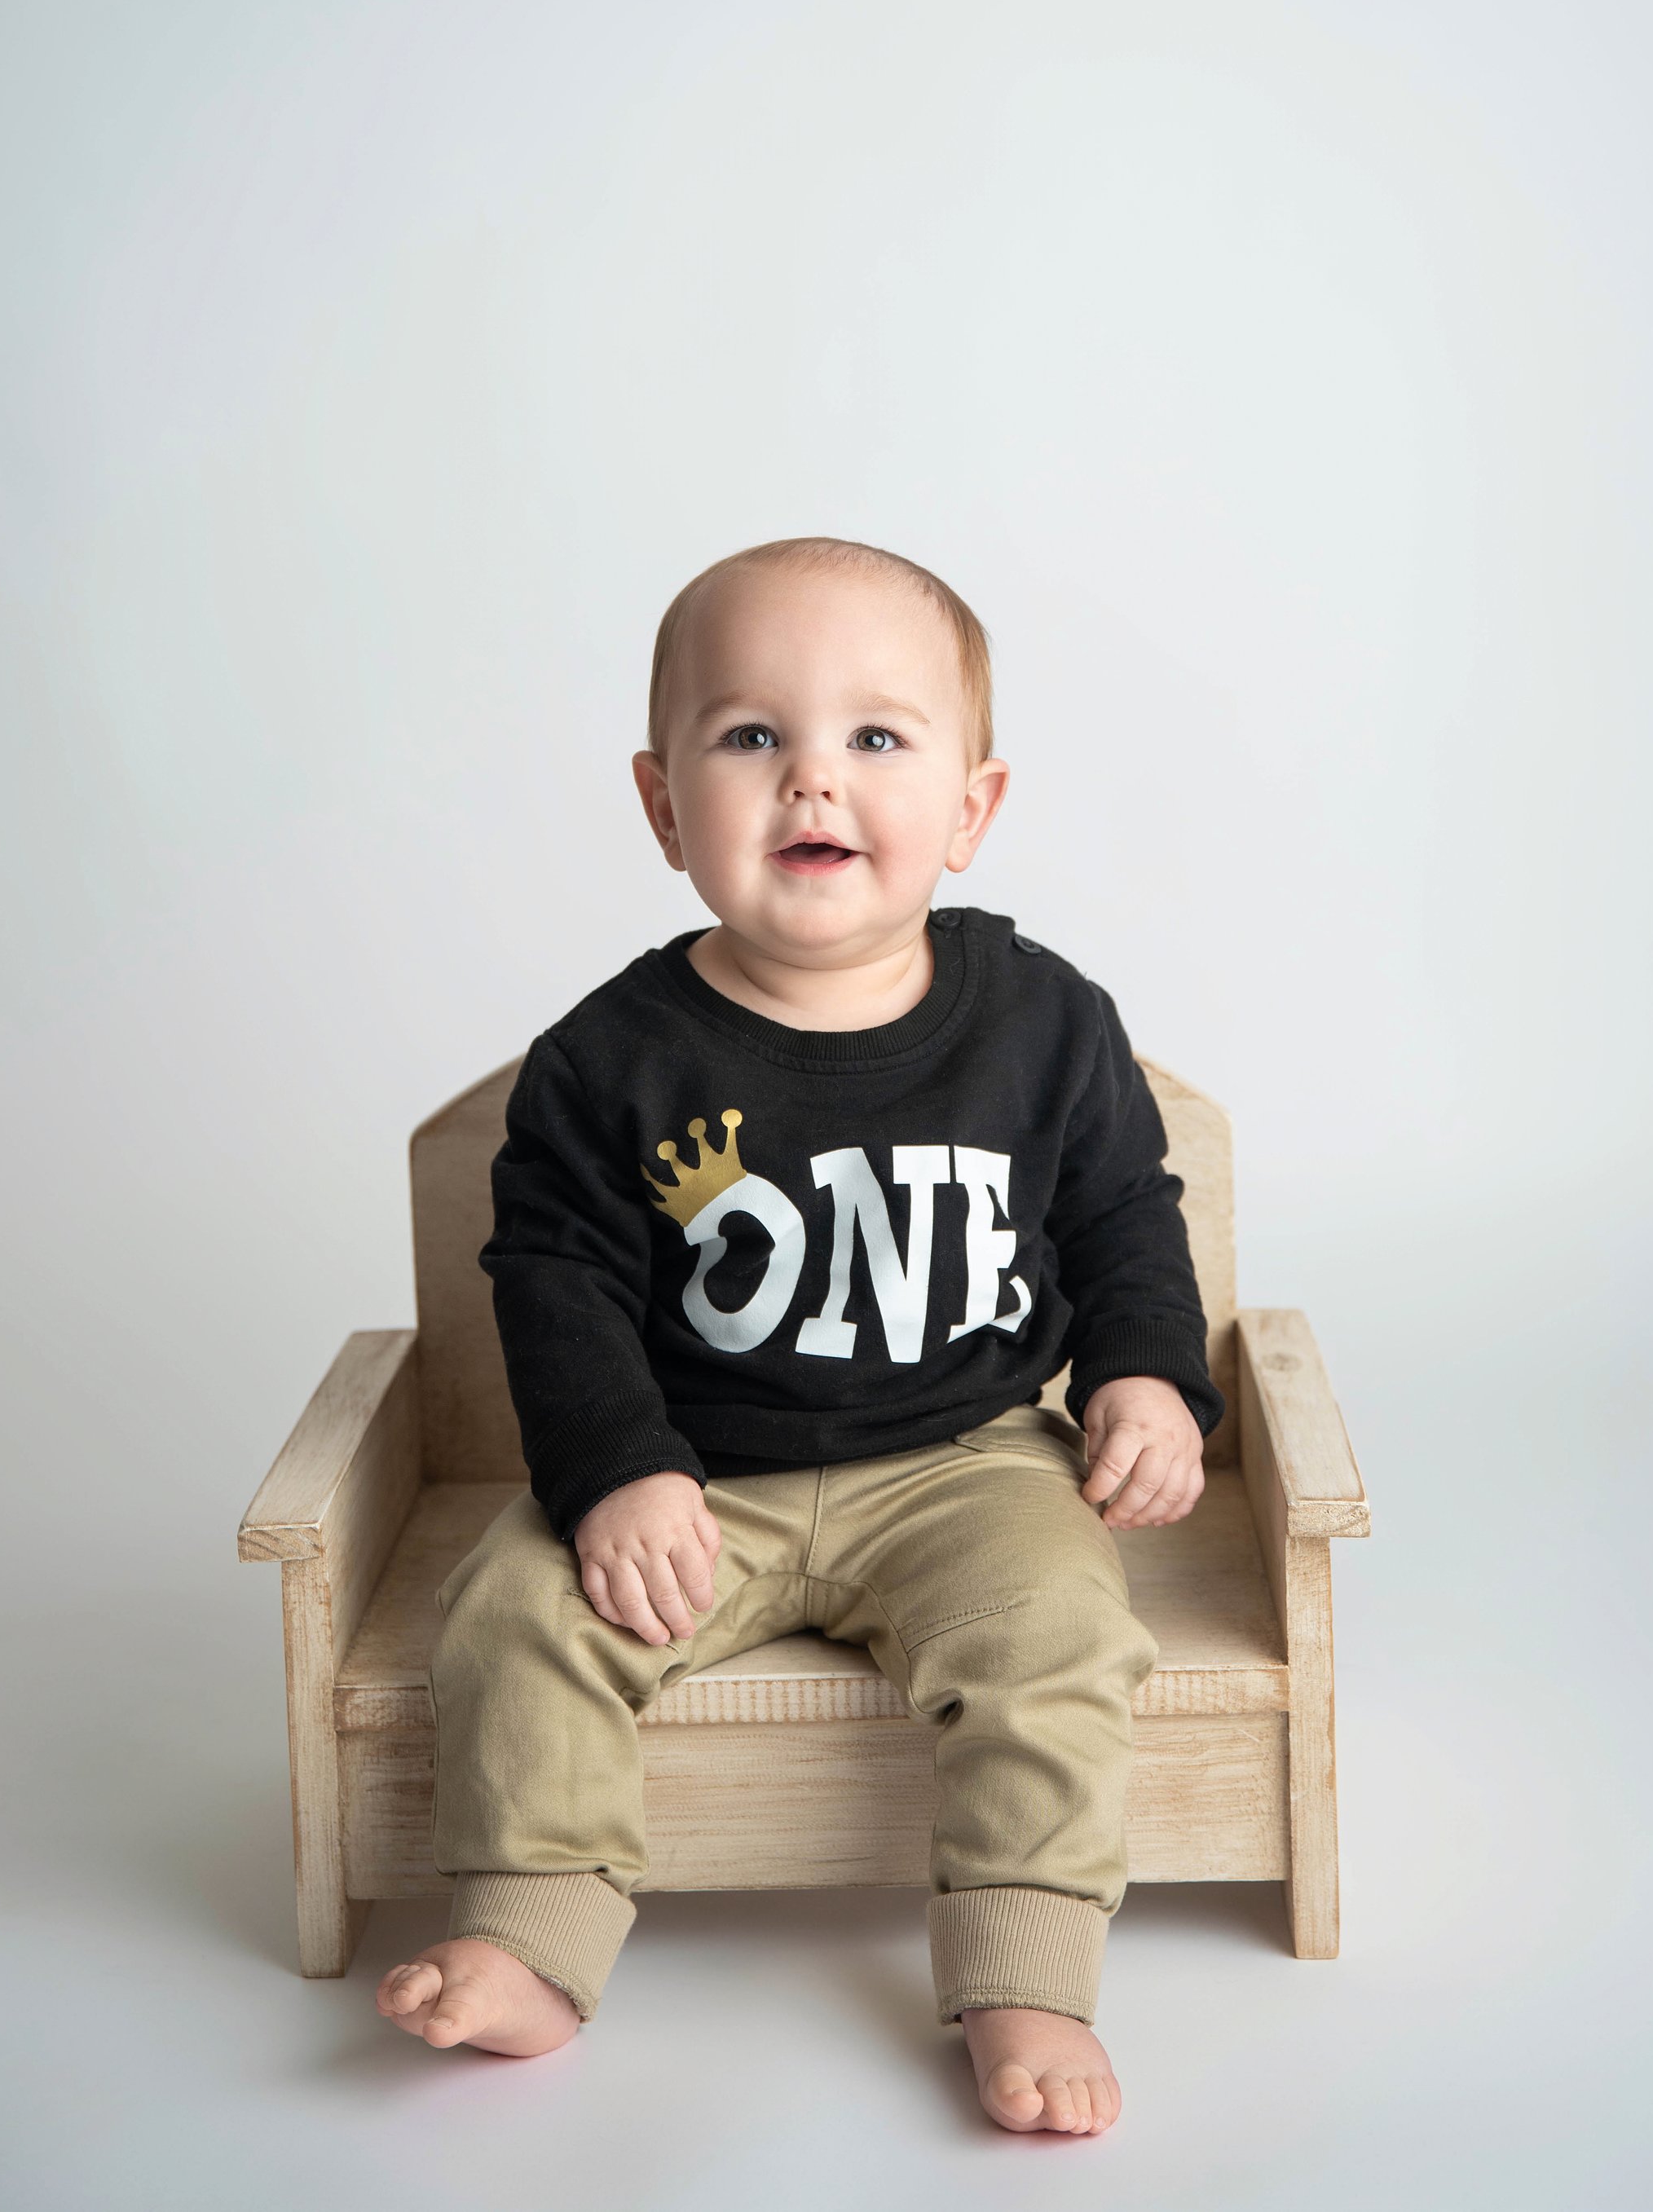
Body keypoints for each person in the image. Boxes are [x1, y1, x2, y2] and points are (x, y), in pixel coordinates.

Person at [375, 538, 1223, 2137]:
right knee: (515, 1605)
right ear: (660, 801)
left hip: (969, 1460)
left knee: (1058, 1627)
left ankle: (1025, 1963)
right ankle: (534, 1932)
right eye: (749, 735)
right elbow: (553, 1281)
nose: (810, 780)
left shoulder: (1041, 1021)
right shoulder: (607, 1059)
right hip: (705, 1473)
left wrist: (1142, 1379)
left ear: (970, 806)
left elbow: (1121, 1214)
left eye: (876, 738)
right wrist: (619, 1468)